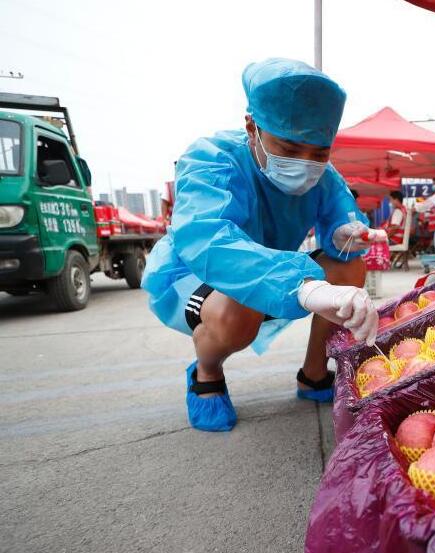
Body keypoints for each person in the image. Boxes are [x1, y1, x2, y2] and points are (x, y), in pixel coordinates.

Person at [142, 58, 379, 432]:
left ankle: (315, 372)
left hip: (279, 273)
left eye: (319, 153)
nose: (305, 164)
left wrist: (344, 235)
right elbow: (207, 237)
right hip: (200, 273)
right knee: (238, 314)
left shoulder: (325, 176)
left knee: (349, 269)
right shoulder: (212, 159)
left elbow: (340, 216)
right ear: (252, 127)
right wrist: (302, 284)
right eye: (288, 147)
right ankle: (207, 372)